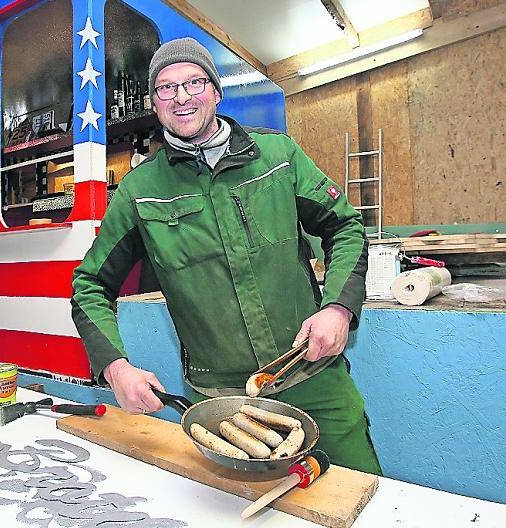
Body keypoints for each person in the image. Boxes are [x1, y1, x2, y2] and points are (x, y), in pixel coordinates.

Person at [71, 38, 381, 474]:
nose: (182, 96)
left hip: (312, 378)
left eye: (195, 82)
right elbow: (89, 285)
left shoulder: (278, 156)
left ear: (216, 91)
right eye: (166, 87)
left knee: (360, 495)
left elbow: (344, 226)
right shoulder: (139, 192)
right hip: (221, 404)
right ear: (154, 104)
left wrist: (337, 308)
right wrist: (116, 368)